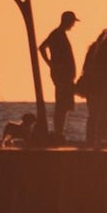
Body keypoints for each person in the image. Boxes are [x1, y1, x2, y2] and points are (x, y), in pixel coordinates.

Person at [38, 9, 78, 143]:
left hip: (65, 74)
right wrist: (51, 64)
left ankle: (59, 132)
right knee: (62, 104)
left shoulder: (59, 34)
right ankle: (58, 133)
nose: (73, 24)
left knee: (64, 104)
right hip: (62, 75)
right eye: (72, 22)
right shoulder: (57, 34)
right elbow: (42, 47)